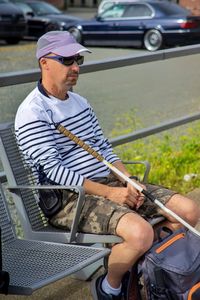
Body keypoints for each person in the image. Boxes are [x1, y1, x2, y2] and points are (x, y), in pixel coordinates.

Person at [15, 31, 200, 300]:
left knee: (189, 210)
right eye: (67, 60)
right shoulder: (33, 112)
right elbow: (55, 173)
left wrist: (127, 180)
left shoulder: (80, 103)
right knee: (139, 234)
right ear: (44, 62)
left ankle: (148, 269)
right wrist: (112, 194)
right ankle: (110, 286)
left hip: (108, 183)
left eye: (78, 59)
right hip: (69, 198)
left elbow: (104, 150)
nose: (76, 67)